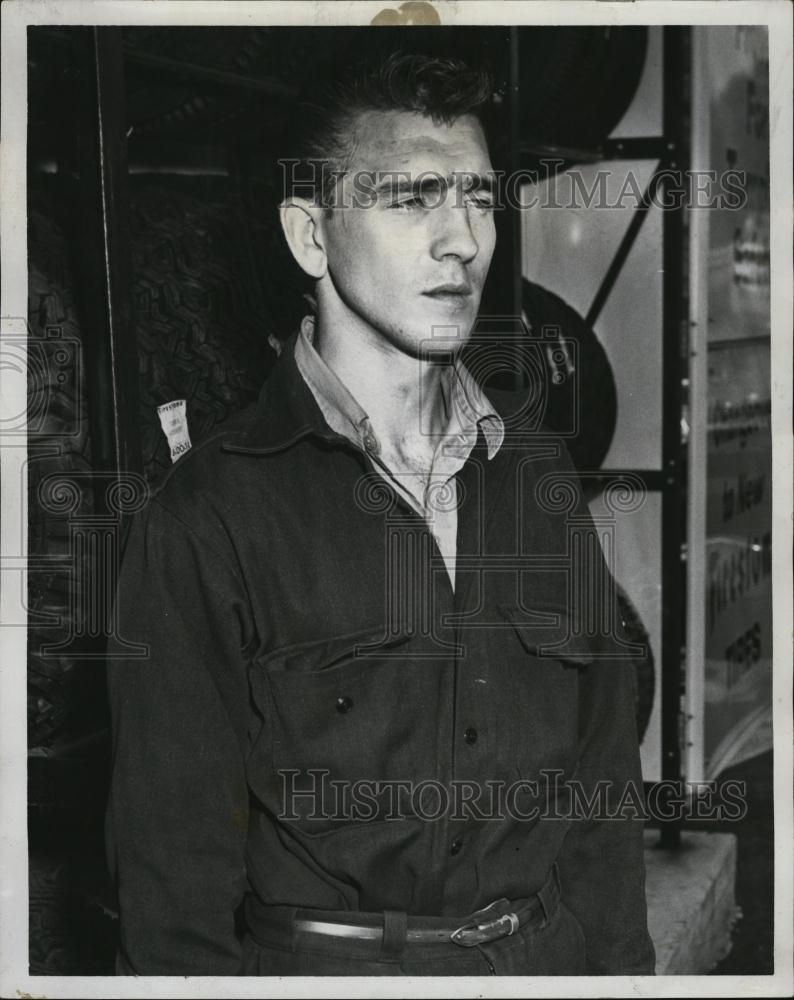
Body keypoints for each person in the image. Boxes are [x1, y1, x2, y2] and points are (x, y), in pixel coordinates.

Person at [105, 48, 656, 977]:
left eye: (479, 198)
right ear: (310, 237)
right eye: (413, 198)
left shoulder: (534, 475)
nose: (464, 242)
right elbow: (173, 890)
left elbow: (602, 801)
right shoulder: (211, 518)